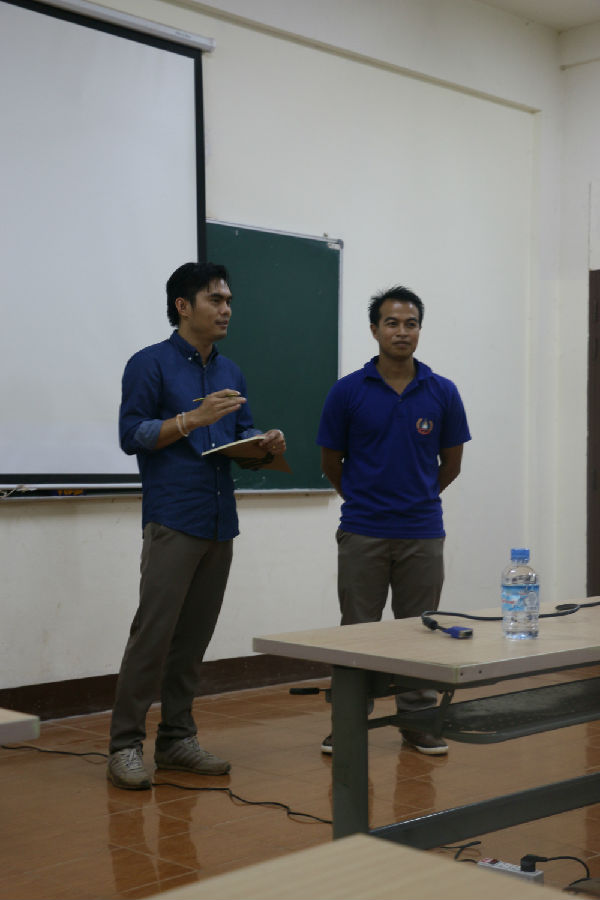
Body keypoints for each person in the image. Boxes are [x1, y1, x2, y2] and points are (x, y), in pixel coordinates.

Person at [107, 261, 287, 790]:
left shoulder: (232, 372)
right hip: (173, 518)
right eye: (215, 299)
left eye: (229, 300)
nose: (226, 309)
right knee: (153, 636)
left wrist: (263, 444)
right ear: (183, 306)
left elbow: (238, 436)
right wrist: (191, 419)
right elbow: (131, 435)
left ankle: (176, 739)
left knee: (192, 640)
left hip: (218, 521)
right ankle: (124, 745)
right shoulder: (150, 364)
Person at [316, 285, 470, 756]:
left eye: (411, 323)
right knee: (357, 630)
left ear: (419, 330)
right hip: (362, 530)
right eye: (392, 323)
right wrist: (363, 501)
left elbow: (451, 464)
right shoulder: (347, 391)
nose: (402, 331)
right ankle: (349, 722)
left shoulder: (442, 391)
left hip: (422, 532)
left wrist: (418, 498)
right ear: (374, 330)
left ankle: (418, 721)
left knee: (420, 629)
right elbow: (330, 462)